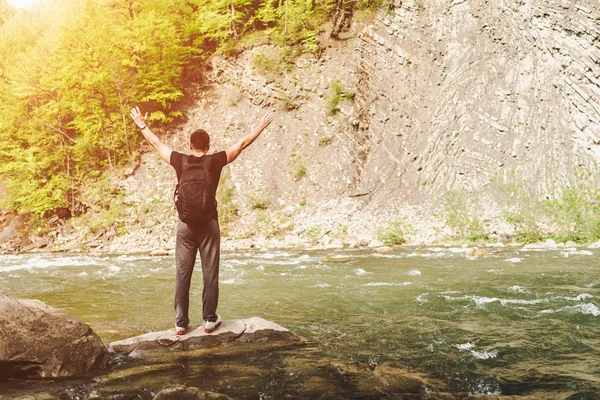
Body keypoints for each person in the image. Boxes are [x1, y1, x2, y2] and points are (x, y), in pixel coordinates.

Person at [130, 106, 275, 335]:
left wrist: (141, 124)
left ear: (190, 146)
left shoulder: (180, 161)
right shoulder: (215, 160)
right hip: (209, 224)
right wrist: (260, 126)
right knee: (210, 272)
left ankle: (180, 323)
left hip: (185, 226)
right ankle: (209, 320)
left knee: (182, 273)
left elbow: (156, 143)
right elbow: (242, 144)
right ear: (208, 147)